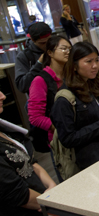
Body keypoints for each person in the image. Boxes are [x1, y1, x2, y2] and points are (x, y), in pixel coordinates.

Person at [50, 42, 99, 171]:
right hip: (94, 160)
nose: (95, 66)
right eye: (88, 62)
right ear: (74, 66)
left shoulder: (92, 85)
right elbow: (68, 138)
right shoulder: (64, 99)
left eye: (96, 60)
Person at [0, 89, 57, 216]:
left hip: (44, 209)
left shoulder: (4, 130)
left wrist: (52, 187)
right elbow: (17, 194)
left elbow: (31, 162)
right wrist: (47, 202)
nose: (3, 96)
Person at [27, 36, 71, 180]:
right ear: (50, 53)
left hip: (78, 134)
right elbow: (35, 116)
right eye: (63, 48)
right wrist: (56, 128)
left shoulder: (71, 75)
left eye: (70, 49)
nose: (67, 52)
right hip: (59, 141)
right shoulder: (40, 80)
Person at [15, 22, 52, 94]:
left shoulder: (57, 47)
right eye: (43, 43)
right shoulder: (24, 56)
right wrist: (38, 64)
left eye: (49, 41)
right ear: (33, 40)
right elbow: (21, 85)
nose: (47, 45)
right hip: (41, 98)